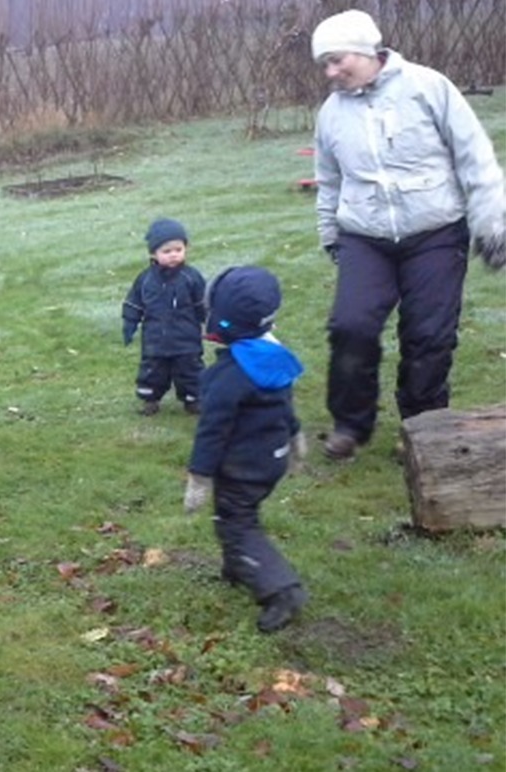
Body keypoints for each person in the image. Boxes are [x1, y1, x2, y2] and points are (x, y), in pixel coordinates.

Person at [310, 8, 506, 460]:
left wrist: (492, 224)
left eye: (337, 60)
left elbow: (474, 155)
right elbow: (329, 179)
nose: (330, 72)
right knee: (350, 326)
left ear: (365, 50)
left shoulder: (428, 88)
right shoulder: (332, 114)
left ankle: (423, 427)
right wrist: (330, 235)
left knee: (429, 335)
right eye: (324, 64)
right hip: (364, 235)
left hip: (435, 231)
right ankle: (350, 425)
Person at [184, 266, 308, 633]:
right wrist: (295, 435)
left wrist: (199, 477)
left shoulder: (227, 377)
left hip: (244, 466)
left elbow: (212, 431)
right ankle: (236, 567)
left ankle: (282, 590)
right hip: (271, 459)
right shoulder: (270, 355)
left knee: (236, 524)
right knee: (235, 515)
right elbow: (284, 403)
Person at [121, 218, 207, 416]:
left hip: (186, 338)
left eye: (178, 249)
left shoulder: (191, 277)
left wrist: (211, 322)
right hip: (155, 339)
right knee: (153, 370)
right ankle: (150, 399)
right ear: (153, 253)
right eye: (166, 252)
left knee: (190, 370)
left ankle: (193, 399)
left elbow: (202, 303)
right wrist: (130, 322)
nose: (173, 255)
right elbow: (134, 302)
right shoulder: (145, 279)